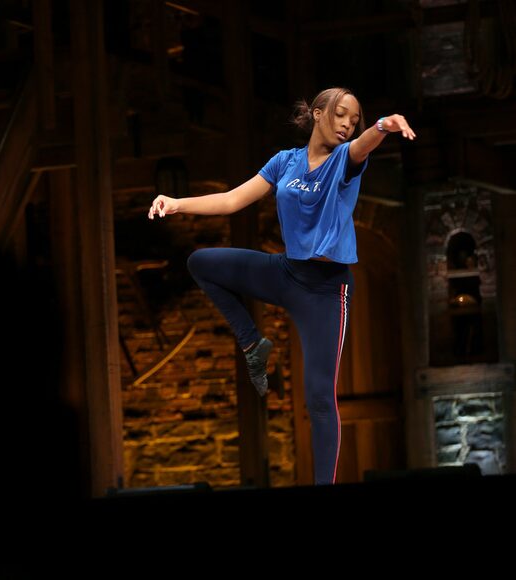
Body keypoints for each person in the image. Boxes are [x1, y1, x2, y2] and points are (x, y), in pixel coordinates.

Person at [147, 87, 416, 485]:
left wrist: (381, 127)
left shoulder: (344, 160)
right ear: (319, 114)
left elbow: (362, 146)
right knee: (201, 262)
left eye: (354, 119)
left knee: (319, 398)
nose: (347, 124)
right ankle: (253, 344)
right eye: (341, 115)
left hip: (326, 291)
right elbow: (232, 200)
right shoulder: (284, 162)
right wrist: (176, 202)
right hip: (287, 273)